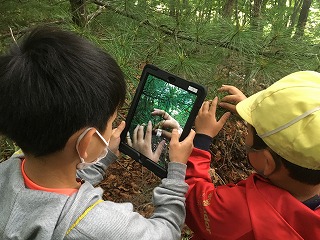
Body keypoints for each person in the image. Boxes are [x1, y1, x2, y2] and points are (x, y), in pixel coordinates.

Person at [0, 25, 196, 240]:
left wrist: (104, 158)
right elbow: (166, 232)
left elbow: (53, 199)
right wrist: (177, 171)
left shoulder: (7, 172)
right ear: (87, 141)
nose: (112, 130)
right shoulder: (103, 228)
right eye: (112, 122)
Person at [185, 71, 320, 239]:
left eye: (248, 130)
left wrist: (202, 140)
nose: (247, 130)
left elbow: (194, 202)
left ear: (267, 162)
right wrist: (256, 113)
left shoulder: (241, 212)